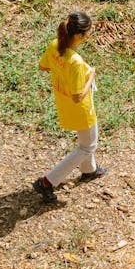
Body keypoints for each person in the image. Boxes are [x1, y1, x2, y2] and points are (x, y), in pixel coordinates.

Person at [33, 11, 105, 203]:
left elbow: (43, 67)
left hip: (63, 103)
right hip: (81, 109)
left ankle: (89, 170)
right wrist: (91, 76)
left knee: (85, 143)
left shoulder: (54, 45)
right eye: (89, 31)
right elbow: (78, 96)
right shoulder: (76, 62)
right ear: (79, 35)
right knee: (88, 146)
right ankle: (47, 182)